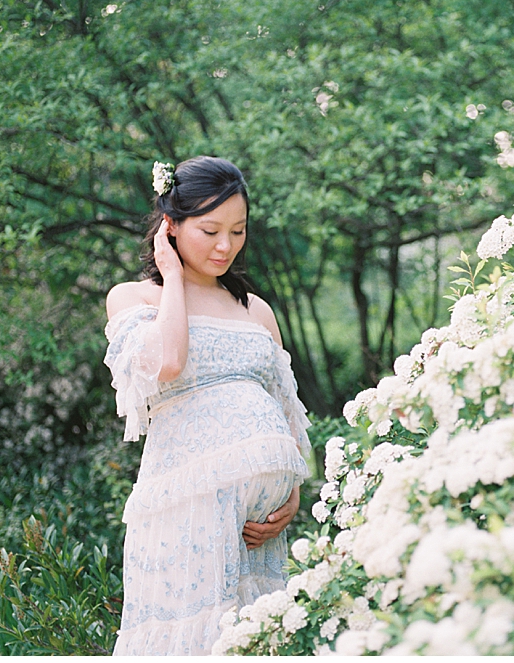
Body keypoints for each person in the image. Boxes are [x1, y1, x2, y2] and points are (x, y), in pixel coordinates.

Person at [103, 156, 311, 655]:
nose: (226, 246)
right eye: (210, 230)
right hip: (187, 509)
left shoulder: (255, 308)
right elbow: (168, 361)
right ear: (170, 226)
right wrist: (172, 277)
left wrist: (291, 498)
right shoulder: (133, 298)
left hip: (257, 530)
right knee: (195, 641)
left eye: (237, 231)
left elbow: (287, 416)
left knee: (255, 639)